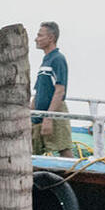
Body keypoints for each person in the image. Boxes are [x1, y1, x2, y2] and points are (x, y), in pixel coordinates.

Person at [33, 20, 73, 157]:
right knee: (33, 149)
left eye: (40, 35)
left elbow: (60, 90)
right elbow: (38, 91)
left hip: (54, 111)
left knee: (63, 147)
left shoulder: (58, 59)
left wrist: (49, 118)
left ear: (51, 38)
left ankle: (73, 178)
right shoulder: (46, 60)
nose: (36, 39)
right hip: (39, 112)